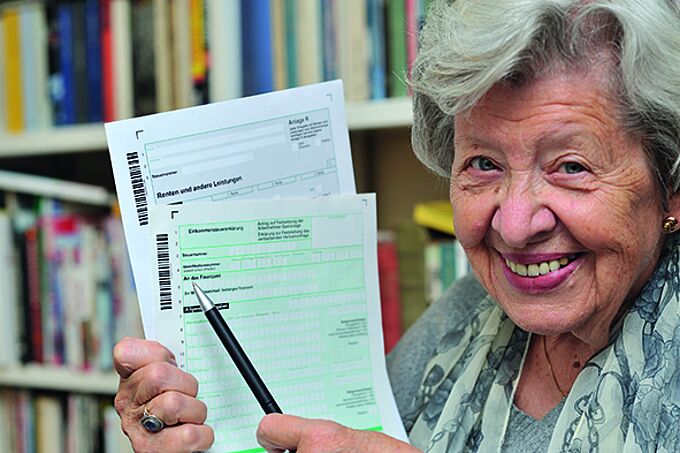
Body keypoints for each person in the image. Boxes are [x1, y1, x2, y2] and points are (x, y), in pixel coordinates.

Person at [113, 0, 680, 451]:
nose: (513, 225)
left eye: (571, 167)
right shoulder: (464, 319)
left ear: (671, 183)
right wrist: (197, 434)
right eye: (483, 164)